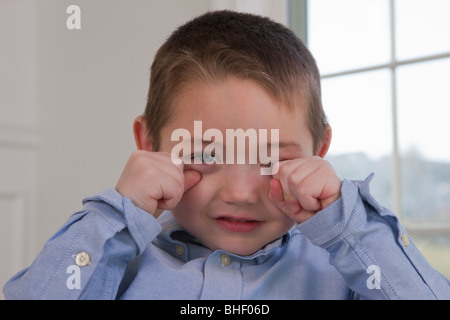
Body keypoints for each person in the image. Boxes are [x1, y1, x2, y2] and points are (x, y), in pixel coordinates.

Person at [4, 10, 449, 300]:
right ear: (148, 145)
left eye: (271, 160)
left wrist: (350, 225)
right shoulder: (116, 264)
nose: (239, 192)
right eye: (203, 153)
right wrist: (114, 219)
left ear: (320, 151)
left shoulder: (347, 270)